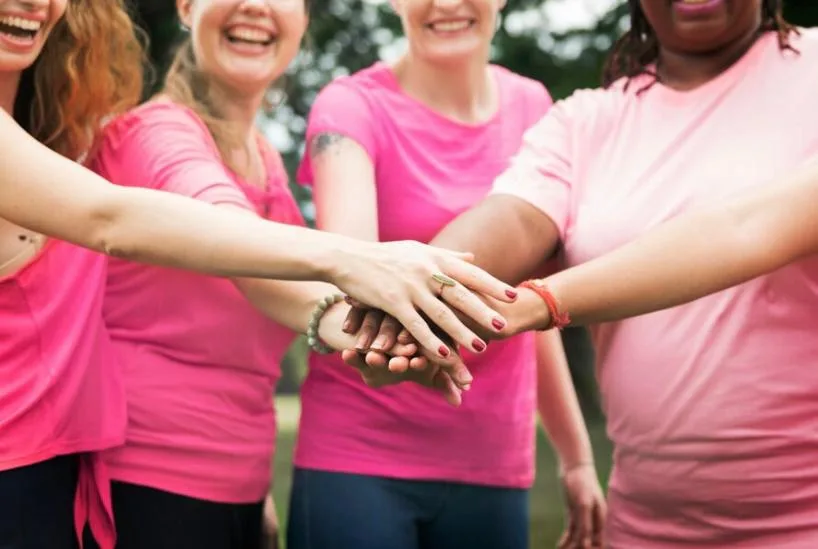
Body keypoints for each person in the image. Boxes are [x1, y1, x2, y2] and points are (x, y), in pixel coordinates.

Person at [0, 0, 514, 547]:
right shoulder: (155, 134)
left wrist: (373, 337)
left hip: (219, 482)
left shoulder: (264, 155)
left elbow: (278, 293)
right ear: (185, 8)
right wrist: (356, 260)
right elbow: (176, 227)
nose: (256, 5)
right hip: (143, 482)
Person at [349, 0, 818, 546]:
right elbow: (512, 220)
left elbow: (749, 229)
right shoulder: (587, 121)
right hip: (643, 524)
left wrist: (539, 302)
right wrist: (409, 304)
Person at [288, 1, 606, 548]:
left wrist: (576, 458)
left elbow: (524, 303)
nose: (447, 3)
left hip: (492, 460)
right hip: (357, 456)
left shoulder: (533, 106)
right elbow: (354, 272)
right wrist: (387, 357)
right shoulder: (351, 107)